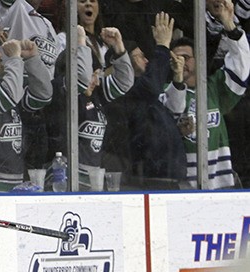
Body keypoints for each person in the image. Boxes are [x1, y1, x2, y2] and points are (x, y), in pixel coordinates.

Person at [161, 0, 250, 189]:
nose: (181, 62)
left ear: (198, 60)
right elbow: (175, 106)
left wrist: (229, 25)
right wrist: (177, 81)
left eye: (186, 57)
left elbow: (241, 67)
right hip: (183, 190)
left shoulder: (213, 87)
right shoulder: (166, 91)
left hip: (222, 185)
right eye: (176, 58)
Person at [101, 12, 187, 190]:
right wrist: (162, 46)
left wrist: (178, 79)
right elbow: (152, 86)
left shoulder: (145, 95)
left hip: (168, 178)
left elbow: (173, 109)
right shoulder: (125, 92)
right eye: (140, 56)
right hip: (144, 181)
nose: (147, 60)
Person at [46, 26, 134, 190]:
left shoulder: (95, 94)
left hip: (92, 183)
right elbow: (80, 79)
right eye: (93, 74)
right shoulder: (61, 90)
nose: (96, 80)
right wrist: (80, 42)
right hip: (64, 183)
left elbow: (125, 82)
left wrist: (118, 47)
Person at [0, 34, 53, 192]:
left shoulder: (2, 86)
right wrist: (14, 58)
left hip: (14, 183)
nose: (0, 55)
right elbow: (8, 97)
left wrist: (32, 59)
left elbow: (43, 95)